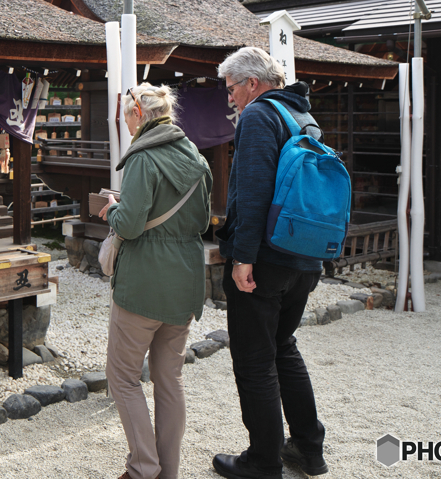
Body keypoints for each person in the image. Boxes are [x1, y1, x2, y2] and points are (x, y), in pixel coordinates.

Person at [211, 47, 329, 479]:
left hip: (265, 258)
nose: (231, 99)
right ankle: (308, 449)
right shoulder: (302, 116)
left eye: (231, 89)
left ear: (252, 83)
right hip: (303, 255)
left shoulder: (260, 116)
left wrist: (242, 257)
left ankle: (263, 461)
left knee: (255, 359)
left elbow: (254, 191)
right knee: (283, 347)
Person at [98, 83, 212, 479]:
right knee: (169, 378)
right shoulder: (196, 156)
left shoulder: (143, 159)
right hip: (184, 279)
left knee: (124, 378)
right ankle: (168, 471)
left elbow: (129, 226)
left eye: (124, 113)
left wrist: (114, 210)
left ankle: (143, 467)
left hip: (144, 282)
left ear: (136, 115)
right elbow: (200, 222)